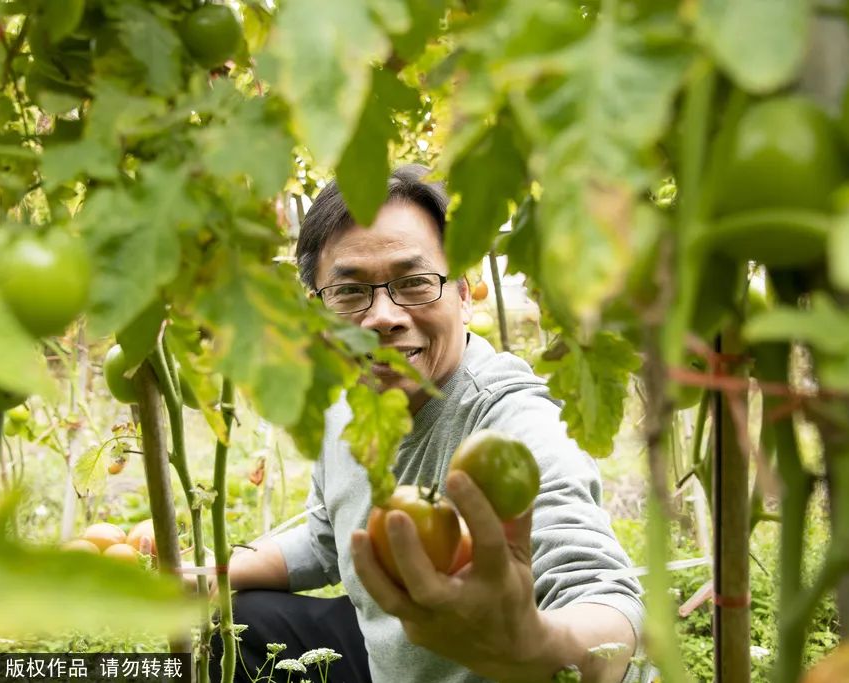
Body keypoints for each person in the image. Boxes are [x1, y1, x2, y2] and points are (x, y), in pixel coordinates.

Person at [209, 164, 645, 683]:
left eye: (414, 282)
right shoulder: (351, 398)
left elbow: (602, 597)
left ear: (463, 290)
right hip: (394, 660)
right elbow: (331, 534)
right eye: (349, 292)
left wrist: (528, 644)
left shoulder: (508, 423)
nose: (382, 317)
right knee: (240, 622)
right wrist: (208, 571)